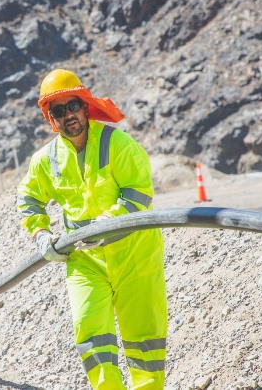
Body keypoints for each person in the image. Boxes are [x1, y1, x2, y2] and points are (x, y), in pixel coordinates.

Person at [17, 69, 167, 389]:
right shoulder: (46, 160)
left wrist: (110, 220)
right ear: (50, 118)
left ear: (85, 106)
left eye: (72, 106)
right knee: (89, 329)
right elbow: (28, 199)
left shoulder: (118, 143)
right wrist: (41, 234)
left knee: (144, 338)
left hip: (134, 254)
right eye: (58, 111)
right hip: (85, 260)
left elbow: (138, 192)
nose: (67, 115)